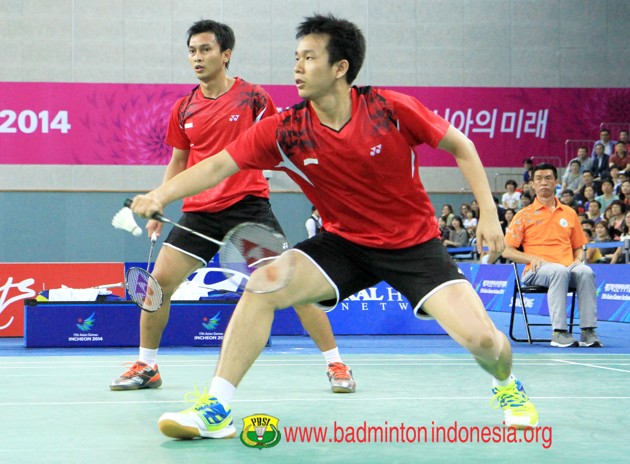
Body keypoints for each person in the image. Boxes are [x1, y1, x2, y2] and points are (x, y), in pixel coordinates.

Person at [129, 14, 538, 438]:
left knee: (485, 343)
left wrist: (489, 214)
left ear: (340, 67)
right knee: (264, 282)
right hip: (342, 243)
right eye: (296, 57)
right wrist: (162, 195)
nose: (297, 68)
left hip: (414, 246)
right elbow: (217, 164)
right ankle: (216, 407)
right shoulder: (288, 129)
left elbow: (462, 146)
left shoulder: (388, 108)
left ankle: (507, 387)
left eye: (309, 58)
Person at [110, 19, 356, 395]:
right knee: (156, 285)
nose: (197, 57)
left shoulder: (253, 98)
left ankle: (336, 363)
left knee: (293, 286)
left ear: (225, 55)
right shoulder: (184, 108)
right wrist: (161, 202)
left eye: (205, 50)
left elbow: (279, 143)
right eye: (192, 51)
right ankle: (147, 364)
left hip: (247, 209)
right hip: (199, 212)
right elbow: (179, 162)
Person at [503, 163, 602, 349]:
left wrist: (578, 260)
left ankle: (588, 331)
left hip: (567, 267)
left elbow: (579, 247)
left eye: (548, 178)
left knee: (585, 271)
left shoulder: (570, 213)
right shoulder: (523, 215)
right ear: (532, 184)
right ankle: (559, 332)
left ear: (556, 182)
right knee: (558, 271)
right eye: (538, 178)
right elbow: (506, 250)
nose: (543, 182)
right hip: (536, 270)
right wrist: (531, 259)